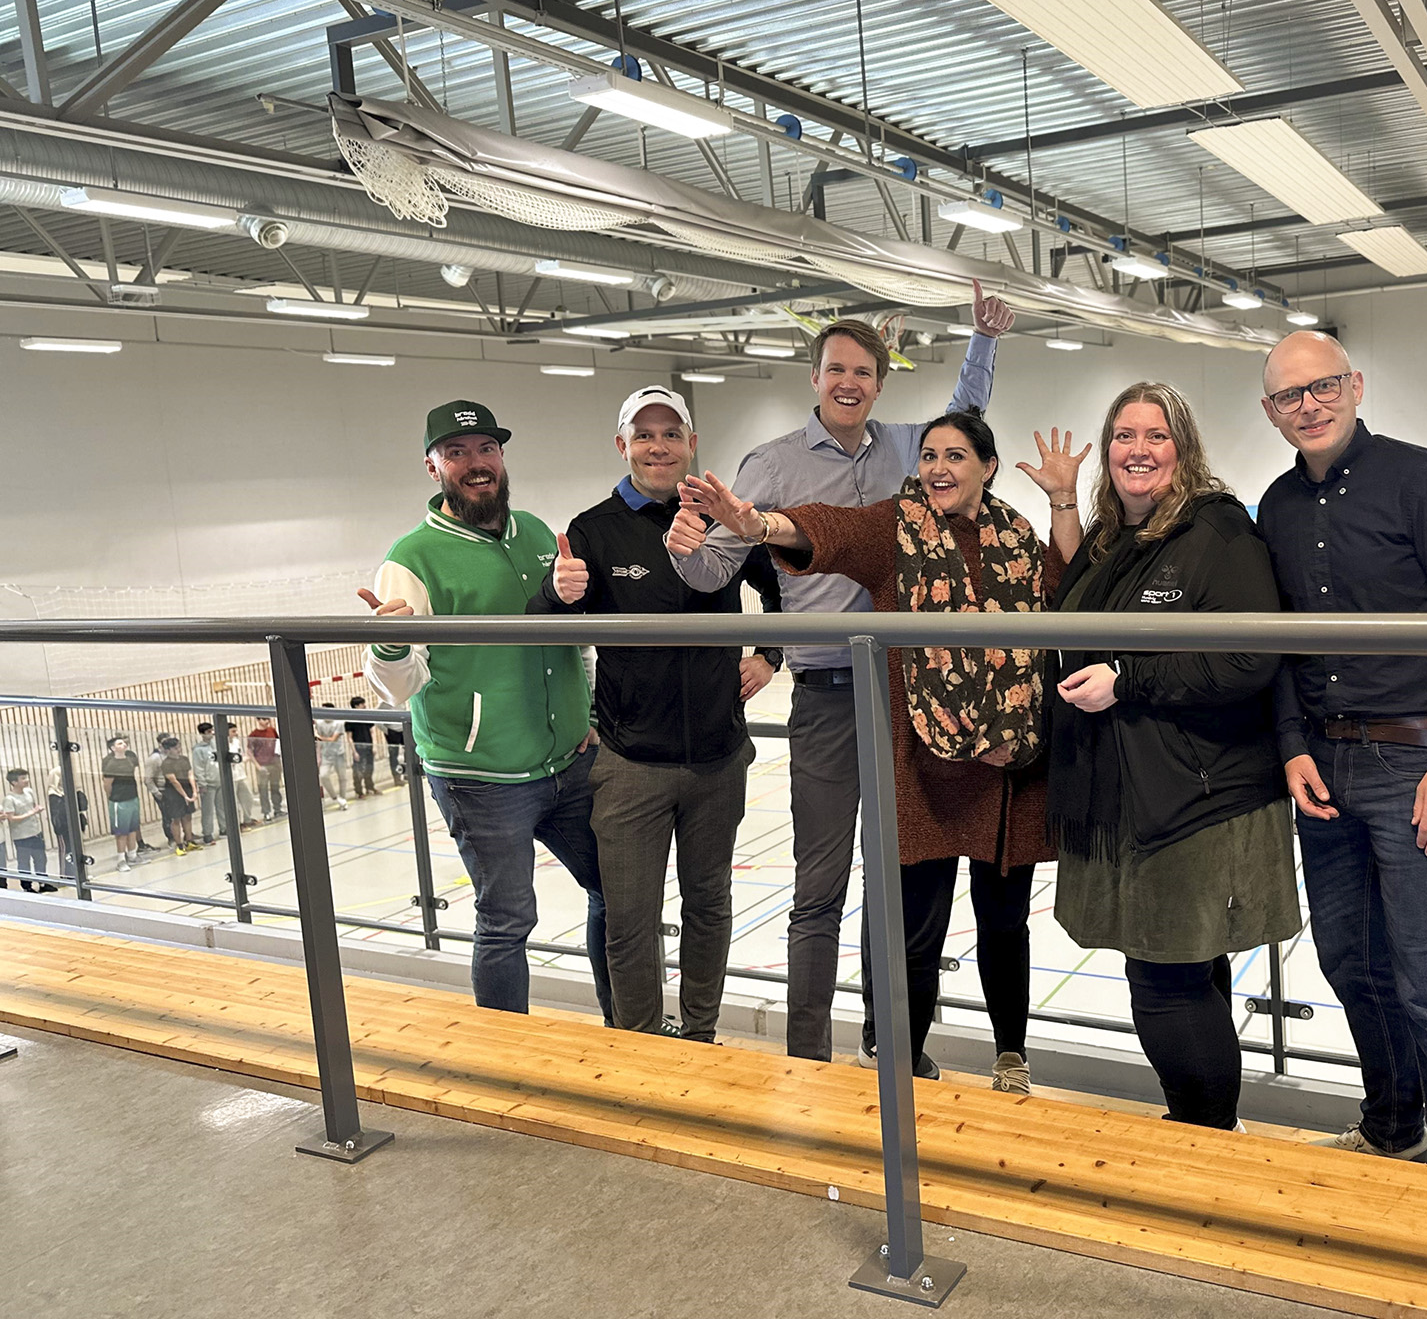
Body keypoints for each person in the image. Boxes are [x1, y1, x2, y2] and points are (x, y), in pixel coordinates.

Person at [674, 410, 1075, 1091]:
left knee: (1004, 923)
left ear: (988, 467)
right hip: (921, 761)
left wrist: (1064, 498)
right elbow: (825, 530)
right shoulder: (896, 528)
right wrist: (756, 525)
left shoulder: (1016, 534)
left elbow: (1066, 587)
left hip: (1006, 760)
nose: (939, 468)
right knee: (916, 932)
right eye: (928, 456)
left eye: (955, 455)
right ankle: (902, 1063)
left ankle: (1012, 1057)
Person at [670, 282, 1014, 1062]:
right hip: (826, 696)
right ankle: (807, 1056)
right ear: (815, 378)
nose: (849, 382)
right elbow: (712, 570)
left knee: (892, 884)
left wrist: (983, 343)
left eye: (864, 370)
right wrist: (685, 554)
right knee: (818, 888)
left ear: (881, 382)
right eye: (836, 370)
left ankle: (886, 1048)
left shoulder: (905, 450)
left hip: (903, 696)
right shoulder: (773, 463)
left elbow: (963, 418)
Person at [1257, 330, 1427, 1174]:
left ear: (1354, 384)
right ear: (1271, 412)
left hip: (1421, 765)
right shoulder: (1277, 508)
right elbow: (1281, 644)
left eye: (1322, 386)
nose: (1309, 405)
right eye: (1290, 396)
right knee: (1351, 965)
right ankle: (1393, 1126)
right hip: (1326, 770)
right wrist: (1291, 745)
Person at [1046, 381, 1299, 1131]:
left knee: (1165, 977)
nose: (1138, 450)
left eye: (1156, 436)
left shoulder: (1215, 536)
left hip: (1196, 795)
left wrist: (1130, 679)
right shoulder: (1110, 541)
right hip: (1126, 788)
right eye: (1124, 436)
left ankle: (1204, 1137)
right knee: (1183, 967)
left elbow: (1248, 660)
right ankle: (1206, 1131)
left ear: (1182, 449)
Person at [531, 385, 784, 1042]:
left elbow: (781, 584)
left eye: (671, 433)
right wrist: (558, 596)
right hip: (628, 763)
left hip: (717, 758)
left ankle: (699, 1036)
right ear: (623, 447)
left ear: (691, 445)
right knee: (630, 917)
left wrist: (770, 653)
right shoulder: (594, 528)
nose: (658, 446)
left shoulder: (728, 522)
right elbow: (543, 621)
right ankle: (640, 1041)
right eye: (644, 435)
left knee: (709, 907)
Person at [361, 399, 611, 1020]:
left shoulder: (534, 532)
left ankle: (624, 1026)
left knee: (616, 890)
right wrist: (389, 644)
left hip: (568, 763)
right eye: (457, 453)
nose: (476, 464)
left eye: (486, 450)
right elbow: (396, 688)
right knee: (507, 920)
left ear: (500, 457)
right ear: (432, 467)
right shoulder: (411, 558)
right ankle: (509, 1062)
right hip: (481, 777)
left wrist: (591, 715)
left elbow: (569, 638)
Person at [4, 767, 55, 892]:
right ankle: (27, 886)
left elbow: (33, 806)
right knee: (24, 862)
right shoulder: (9, 799)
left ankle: (43, 882)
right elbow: (11, 818)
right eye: (23, 778)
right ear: (14, 782)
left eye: (26, 777)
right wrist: (32, 812)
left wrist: (36, 811)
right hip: (21, 836)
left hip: (35, 832)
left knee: (41, 858)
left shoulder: (29, 792)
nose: (26, 780)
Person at [102, 735, 144, 871]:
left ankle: (132, 855)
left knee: (132, 829)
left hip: (132, 797)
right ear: (113, 748)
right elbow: (107, 784)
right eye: (119, 743)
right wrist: (112, 797)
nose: (123, 745)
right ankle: (121, 860)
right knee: (121, 832)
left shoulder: (130, 759)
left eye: (124, 743)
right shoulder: (111, 764)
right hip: (119, 801)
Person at [156, 736, 197, 855]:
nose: (178, 749)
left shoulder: (184, 759)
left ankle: (189, 841)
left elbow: (190, 774)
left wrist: (194, 791)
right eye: (175, 748)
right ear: (167, 750)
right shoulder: (166, 763)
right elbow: (174, 781)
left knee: (187, 816)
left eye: (179, 747)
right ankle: (179, 845)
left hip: (187, 789)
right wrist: (184, 795)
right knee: (176, 819)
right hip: (173, 794)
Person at [191, 723, 227, 845]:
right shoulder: (198, 750)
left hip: (219, 780)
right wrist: (202, 783)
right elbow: (198, 768)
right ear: (202, 734)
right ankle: (207, 833)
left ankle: (224, 828)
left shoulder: (216, 745)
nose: (211, 734)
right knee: (208, 810)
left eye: (212, 731)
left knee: (222, 807)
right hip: (208, 784)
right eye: (208, 732)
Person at [314, 704, 353, 812]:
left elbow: (333, 739)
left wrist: (318, 737)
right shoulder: (319, 723)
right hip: (326, 755)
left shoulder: (339, 723)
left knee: (342, 777)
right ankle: (336, 798)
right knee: (323, 775)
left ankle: (343, 798)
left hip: (338, 754)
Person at [48, 778, 86, 882]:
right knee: (67, 850)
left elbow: (83, 805)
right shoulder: (54, 795)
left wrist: (78, 791)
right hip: (64, 827)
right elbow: (59, 813)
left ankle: (79, 873)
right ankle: (66, 875)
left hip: (76, 824)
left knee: (78, 848)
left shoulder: (73, 790)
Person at [222, 721, 259, 829]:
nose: (236, 733)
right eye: (233, 731)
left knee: (248, 797)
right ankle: (236, 825)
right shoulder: (221, 744)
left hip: (241, 774)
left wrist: (243, 758)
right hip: (230, 777)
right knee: (233, 802)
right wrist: (238, 760)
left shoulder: (236, 741)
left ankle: (247, 819)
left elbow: (240, 755)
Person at [248, 720, 285, 820]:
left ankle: (278, 809)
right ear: (259, 720)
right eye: (264, 719)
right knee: (263, 789)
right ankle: (266, 812)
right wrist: (257, 766)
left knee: (275, 787)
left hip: (274, 763)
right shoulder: (254, 734)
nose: (267, 721)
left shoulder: (272, 731)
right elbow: (250, 751)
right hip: (262, 765)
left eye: (267, 719)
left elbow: (278, 744)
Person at [346, 696, 379, 797]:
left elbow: (372, 732)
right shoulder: (350, 720)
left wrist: (374, 746)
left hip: (368, 745)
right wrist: (354, 751)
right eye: (362, 704)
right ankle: (359, 791)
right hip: (358, 747)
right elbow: (349, 737)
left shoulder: (366, 716)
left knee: (370, 768)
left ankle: (370, 786)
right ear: (356, 706)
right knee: (358, 770)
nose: (364, 706)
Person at [384, 720, 407, 786]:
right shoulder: (383, 709)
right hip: (392, 732)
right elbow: (378, 722)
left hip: (403, 729)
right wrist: (387, 731)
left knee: (409, 751)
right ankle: (397, 778)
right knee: (393, 756)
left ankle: (407, 774)